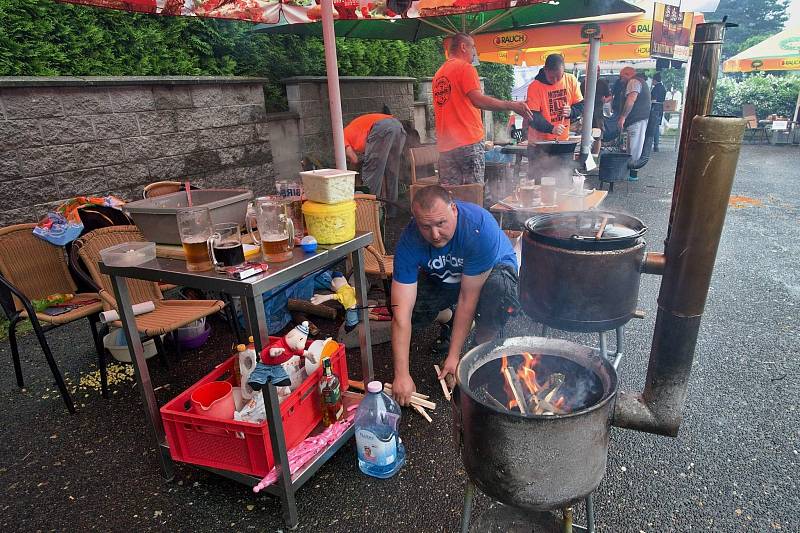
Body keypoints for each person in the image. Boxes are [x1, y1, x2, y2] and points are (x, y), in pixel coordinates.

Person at [389, 185, 519, 406]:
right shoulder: (409, 240)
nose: (435, 235)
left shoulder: (478, 228)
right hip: (447, 278)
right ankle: (449, 318)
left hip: (490, 275)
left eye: (441, 223)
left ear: (454, 210)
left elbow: (468, 299)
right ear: (416, 221)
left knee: (498, 292)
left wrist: (454, 356)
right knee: (404, 306)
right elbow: (401, 313)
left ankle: (480, 349)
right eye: (425, 226)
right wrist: (401, 374)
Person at [432, 33, 532, 186]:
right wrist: (511, 105)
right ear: (463, 47)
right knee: (473, 193)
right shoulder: (465, 68)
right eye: (473, 47)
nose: (475, 52)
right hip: (468, 141)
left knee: (450, 196)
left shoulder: (438, 74)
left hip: (446, 146)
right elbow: (477, 100)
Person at [525, 53, 584, 182]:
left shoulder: (571, 80)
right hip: (539, 145)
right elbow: (532, 116)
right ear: (545, 70)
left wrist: (571, 111)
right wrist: (551, 128)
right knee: (539, 183)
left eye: (560, 76)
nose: (556, 80)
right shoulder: (535, 86)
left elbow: (581, 105)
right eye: (552, 77)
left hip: (562, 144)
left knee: (563, 182)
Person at [343, 113, 406, 204]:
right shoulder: (354, 132)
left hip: (381, 128)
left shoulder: (341, 137)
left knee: (371, 172)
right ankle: (391, 210)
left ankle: (371, 210)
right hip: (397, 126)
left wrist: (349, 176)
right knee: (391, 171)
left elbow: (354, 159)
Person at [616, 66, 651, 181]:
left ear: (627, 74)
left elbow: (631, 100)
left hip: (636, 119)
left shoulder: (633, 81)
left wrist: (623, 117)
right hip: (638, 119)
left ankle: (633, 174)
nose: (621, 80)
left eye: (621, 77)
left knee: (634, 147)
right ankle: (630, 173)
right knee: (632, 146)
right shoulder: (640, 81)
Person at [650, 73, 667, 152]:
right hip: (660, 109)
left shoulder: (656, 88)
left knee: (653, 127)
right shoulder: (663, 88)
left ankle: (652, 145)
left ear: (655, 80)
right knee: (656, 127)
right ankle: (656, 145)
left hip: (655, 108)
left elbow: (654, 99)